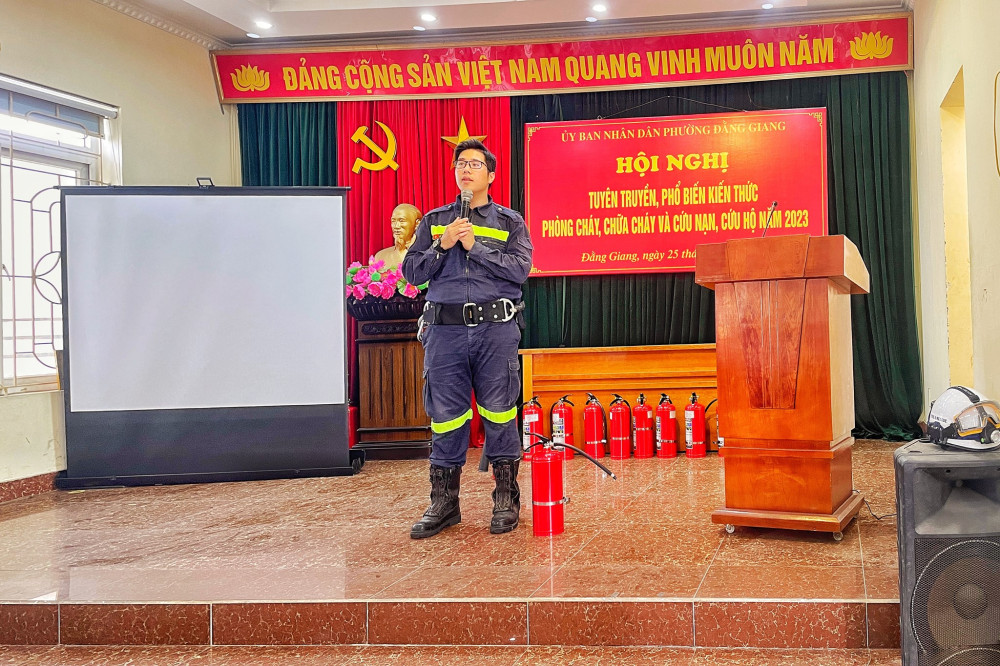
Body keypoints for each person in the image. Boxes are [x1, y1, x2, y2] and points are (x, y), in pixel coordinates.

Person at [401, 138, 533, 539]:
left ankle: (506, 498)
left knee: (499, 411)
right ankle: (444, 503)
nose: (466, 169)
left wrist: (475, 247)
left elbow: (520, 269)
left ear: (491, 176)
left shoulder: (509, 222)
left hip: (495, 330)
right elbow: (412, 272)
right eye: (461, 163)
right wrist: (442, 246)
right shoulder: (435, 221)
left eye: (475, 164)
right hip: (445, 333)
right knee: (446, 416)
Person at [373, 203, 422, 269]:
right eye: (393, 221)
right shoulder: (381, 256)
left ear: (417, 224)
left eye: (402, 221)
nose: (396, 226)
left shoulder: (426, 256)